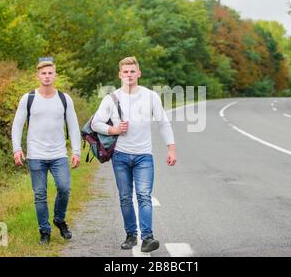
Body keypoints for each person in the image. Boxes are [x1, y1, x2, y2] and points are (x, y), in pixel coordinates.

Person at [91, 56, 177, 253]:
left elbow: (163, 122)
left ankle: (147, 237)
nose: (129, 75)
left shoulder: (150, 96)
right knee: (125, 197)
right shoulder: (111, 98)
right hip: (120, 155)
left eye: (132, 71)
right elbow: (96, 123)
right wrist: (113, 130)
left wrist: (171, 147)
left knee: (144, 196)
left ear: (139, 73)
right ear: (120, 74)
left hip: (144, 156)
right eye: (125, 72)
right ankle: (130, 235)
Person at [11, 61, 81, 245]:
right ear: (38, 76)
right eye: (44, 73)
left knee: (64, 188)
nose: (47, 76)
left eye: (50, 73)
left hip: (59, 154)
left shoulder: (64, 99)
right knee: (40, 194)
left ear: (55, 76)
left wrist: (76, 151)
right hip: (36, 155)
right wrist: (17, 149)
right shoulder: (28, 98)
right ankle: (45, 231)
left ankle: (59, 219)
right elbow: (17, 125)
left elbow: (73, 126)